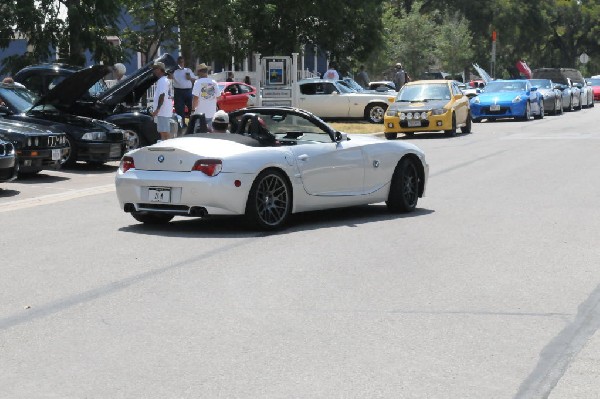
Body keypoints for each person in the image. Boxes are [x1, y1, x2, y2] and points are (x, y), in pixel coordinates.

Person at [191, 63, 221, 129]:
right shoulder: (213, 82)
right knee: (210, 134)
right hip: (212, 113)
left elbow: (195, 98)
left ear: (199, 72)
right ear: (207, 72)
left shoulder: (197, 82)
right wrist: (212, 101)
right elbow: (219, 97)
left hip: (200, 113)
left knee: (198, 133)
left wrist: (193, 110)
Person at [151, 61, 173, 141]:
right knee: (163, 131)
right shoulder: (165, 80)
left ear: (160, 69)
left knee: (164, 132)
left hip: (163, 111)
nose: (154, 71)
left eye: (155, 69)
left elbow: (162, 95)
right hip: (165, 110)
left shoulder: (162, 81)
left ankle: (167, 148)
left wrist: (157, 109)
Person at [172, 56, 195, 127]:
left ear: (184, 62)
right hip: (178, 92)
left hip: (188, 91)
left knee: (192, 107)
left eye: (182, 62)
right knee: (179, 109)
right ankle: (182, 124)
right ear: (177, 63)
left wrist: (190, 78)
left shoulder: (188, 70)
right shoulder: (174, 71)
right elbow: (169, 77)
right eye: (179, 62)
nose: (180, 63)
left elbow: (194, 79)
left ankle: (192, 123)